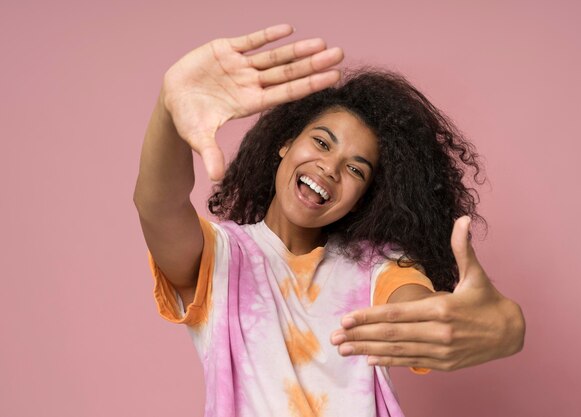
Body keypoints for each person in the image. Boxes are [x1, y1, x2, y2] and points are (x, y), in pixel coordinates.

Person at [134, 24, 525, 416]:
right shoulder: (221, 257)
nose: (330, 168)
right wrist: (170, 109)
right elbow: (157, 205)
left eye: (356, 169)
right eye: (321, 142)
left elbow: (429, 312)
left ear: (361, 200)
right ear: (285, 143)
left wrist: (505, 324)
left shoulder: (375, 270)